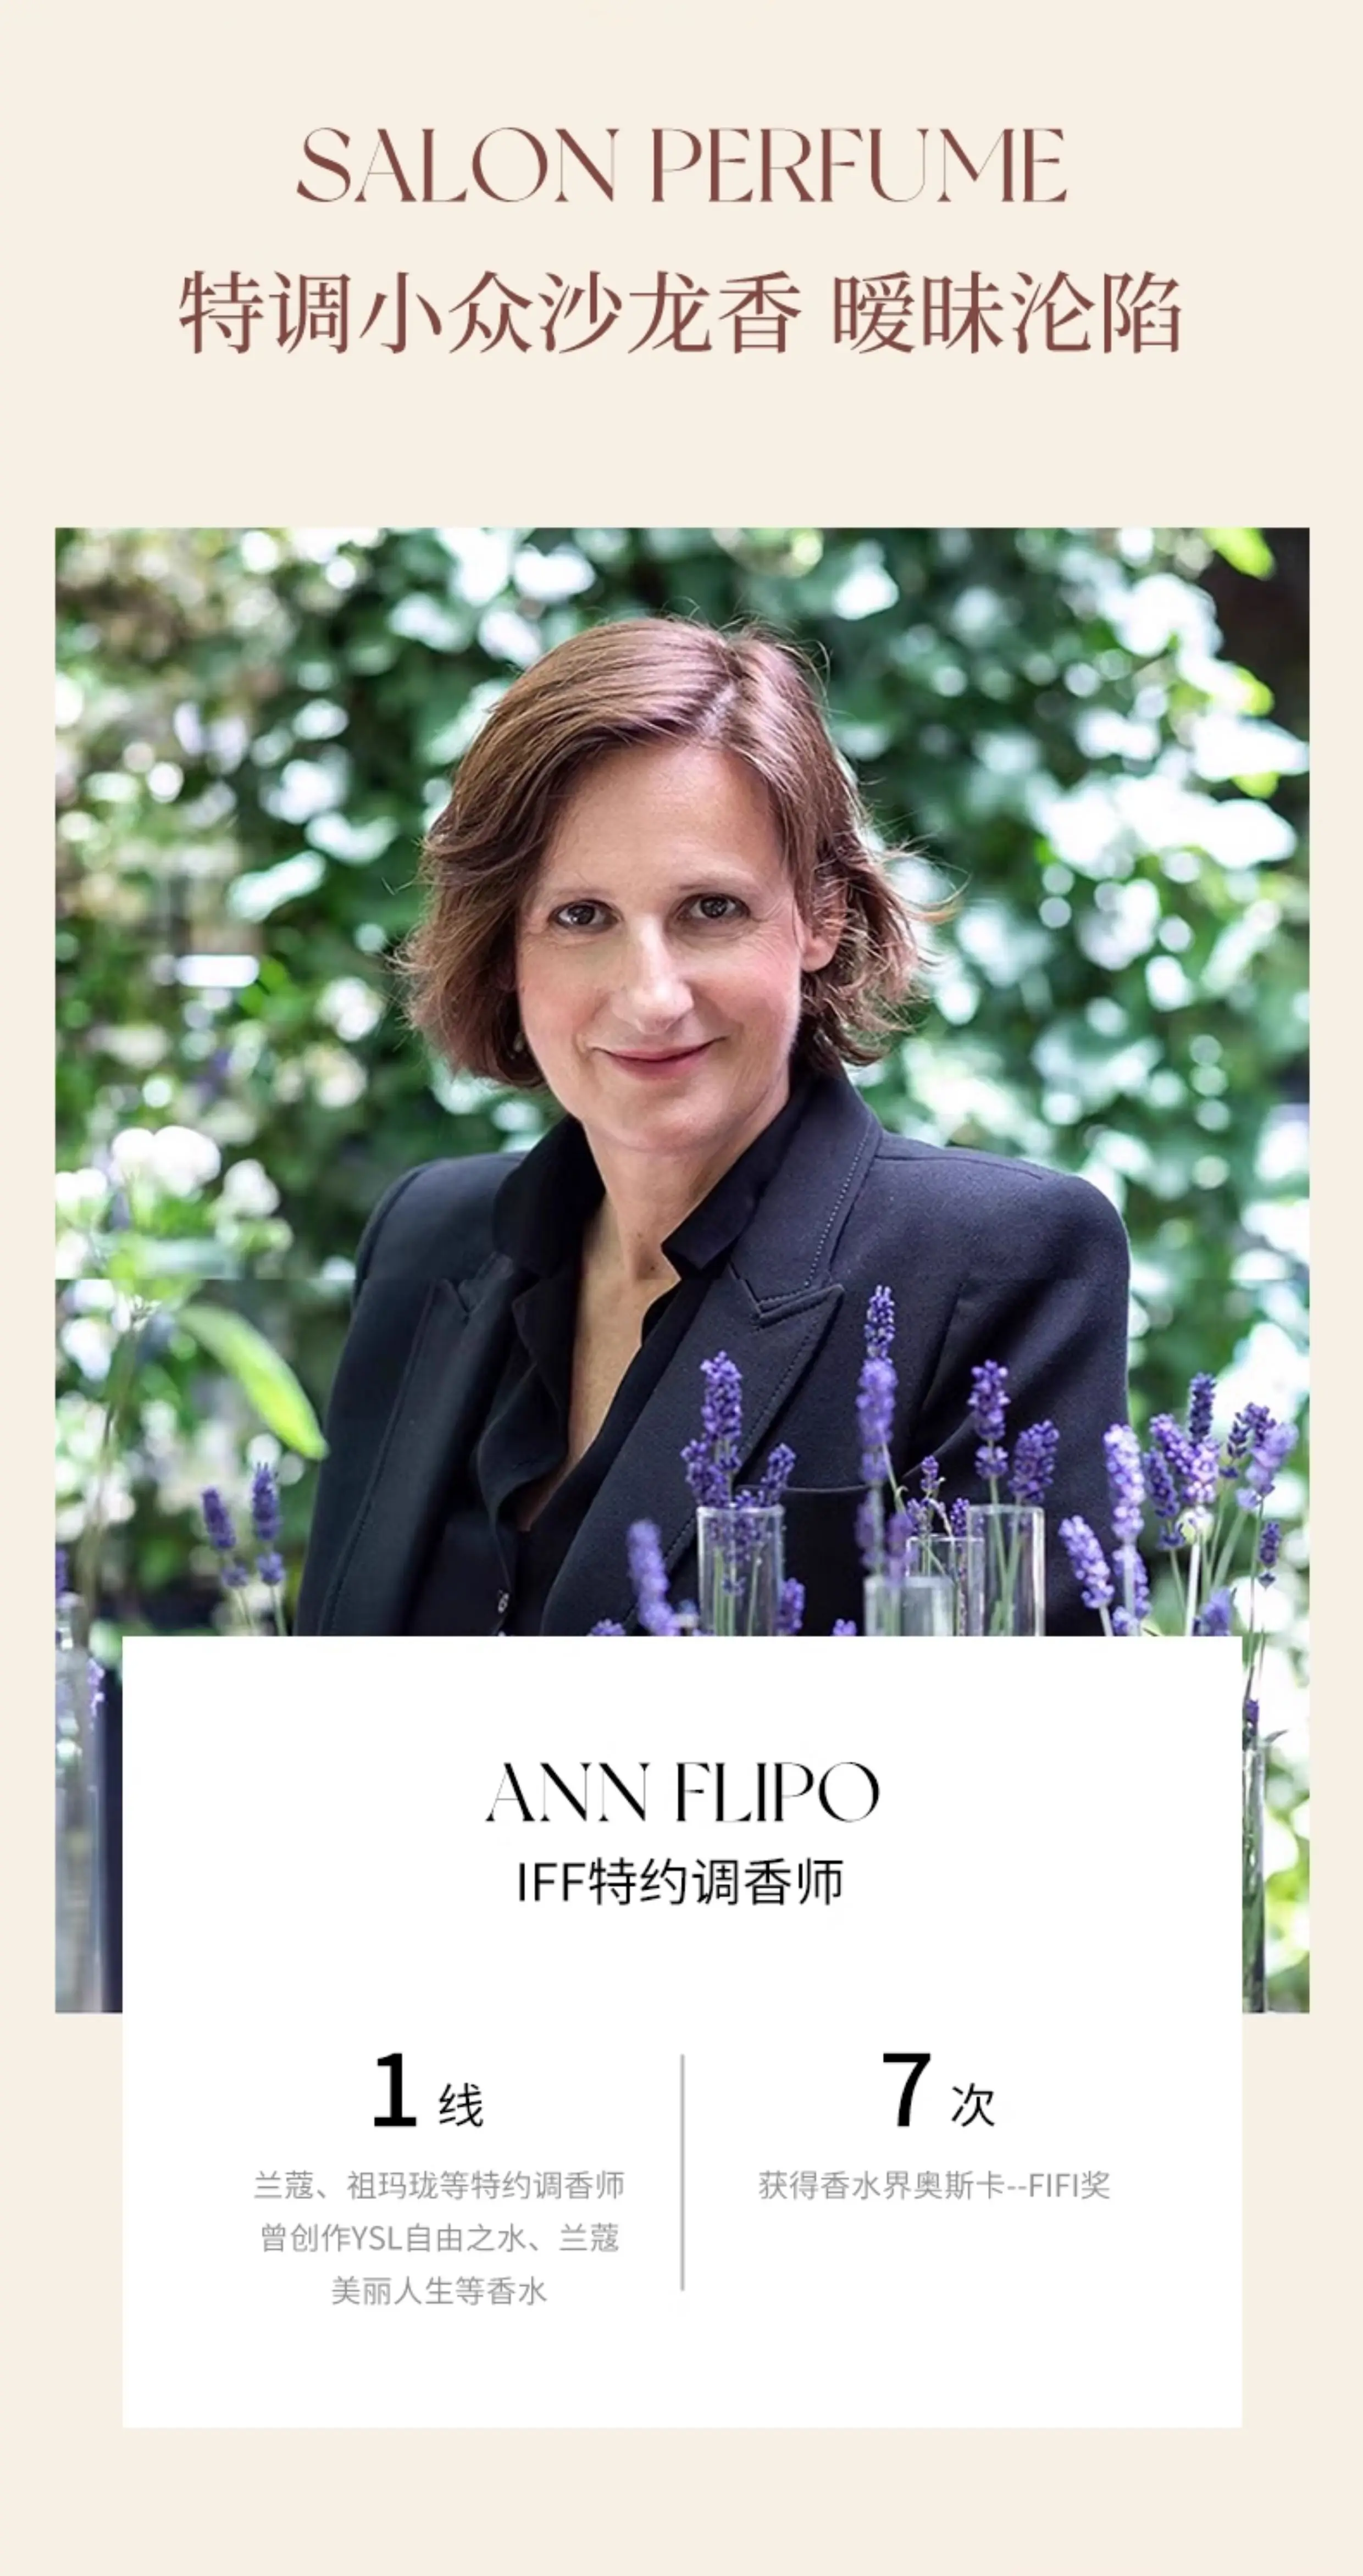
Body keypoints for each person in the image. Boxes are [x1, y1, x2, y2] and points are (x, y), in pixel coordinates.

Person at [296, 618, 1129, 1637]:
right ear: (506, 949)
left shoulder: (999, 1263)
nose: (651, 997)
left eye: (711, 910)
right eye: (581, 916)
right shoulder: (423, 1241)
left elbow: (1016, 1731)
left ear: (820, 916)